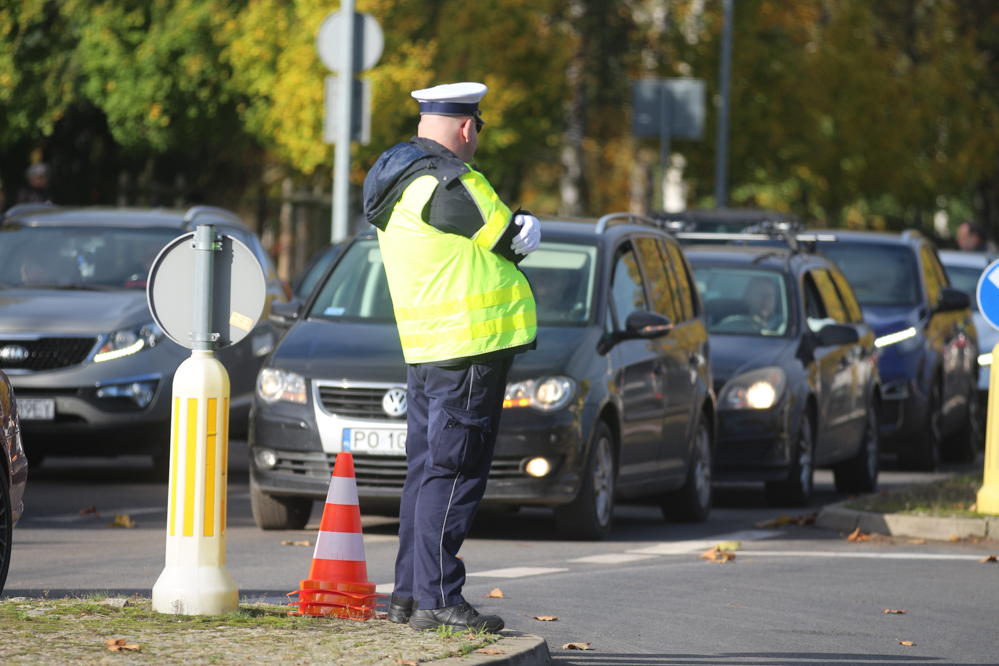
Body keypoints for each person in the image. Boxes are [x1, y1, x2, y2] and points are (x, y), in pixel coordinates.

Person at [363, 82, 540, 634]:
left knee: (426, 473)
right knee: (454, 472)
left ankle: (411, 597)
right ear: (466, 127)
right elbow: (512, 239)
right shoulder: (452, 182)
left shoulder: (397, 181)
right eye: (477, 128)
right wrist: (531, 225)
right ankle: (438, 599)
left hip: (430, 351)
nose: (476, 138)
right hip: (468, 352)